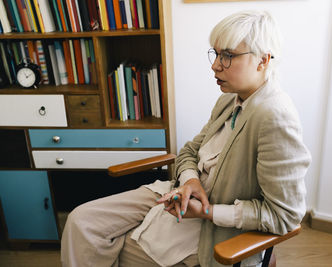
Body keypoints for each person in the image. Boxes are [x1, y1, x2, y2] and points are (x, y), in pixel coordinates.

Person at [61, 10, 311, 267]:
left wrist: (209, 211)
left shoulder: (275, 118)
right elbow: (190, 150)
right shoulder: (229, 99)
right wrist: (191, 180)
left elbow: (286, 216)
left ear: (263, 60)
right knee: (81, 222)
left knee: (112, 245)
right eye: (215, 54)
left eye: (228, 56)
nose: (215, 65)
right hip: (179, 192)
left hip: (211, 226)